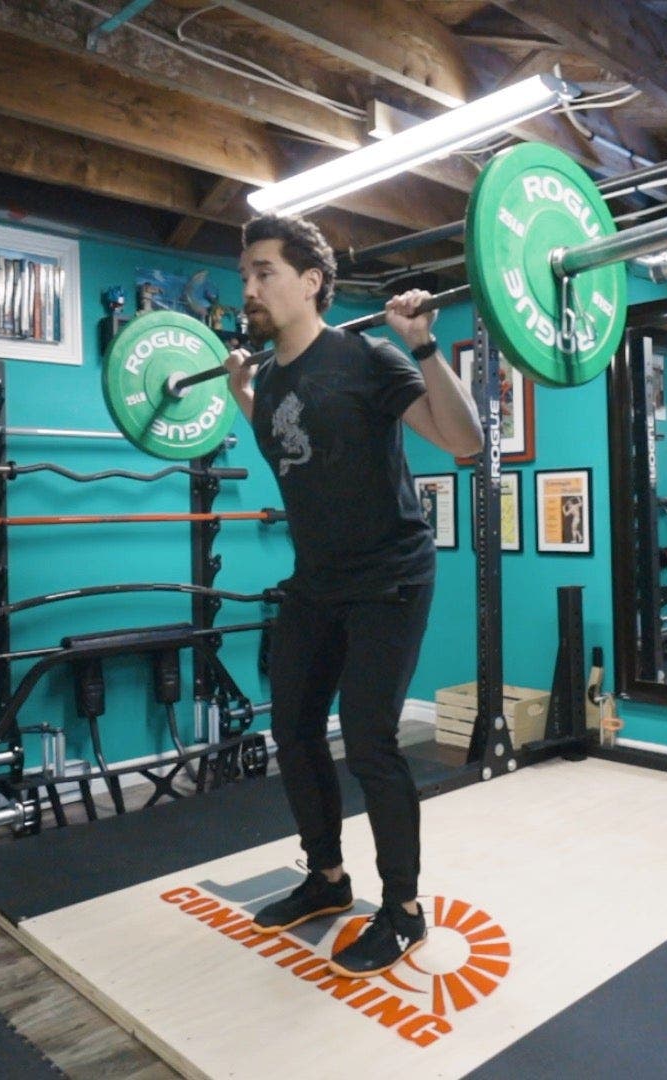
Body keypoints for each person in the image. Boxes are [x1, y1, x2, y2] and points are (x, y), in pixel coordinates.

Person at [224, 214, 482, 978]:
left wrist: (425, 347)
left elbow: (463, 440)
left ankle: (403, 911)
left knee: (369, 739)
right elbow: (290, 444)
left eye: (263, 273)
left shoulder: (366, 357)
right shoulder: (270, 375)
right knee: (294, 729)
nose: (249, 289)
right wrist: (243, 392)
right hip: (317, 580)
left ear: (310, 282)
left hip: (390, 577)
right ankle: (327, 880)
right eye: (245, 276)